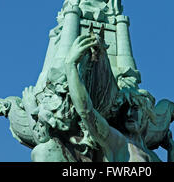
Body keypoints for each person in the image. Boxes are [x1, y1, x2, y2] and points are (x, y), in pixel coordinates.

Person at [65, 34, 161, 162]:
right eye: (124, 108)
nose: (128, 113)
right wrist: (70, 66)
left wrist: (173, 150)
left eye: (135, 108)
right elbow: (86, 111)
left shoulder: (154, 157)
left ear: (146, 114)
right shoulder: (117, 141)